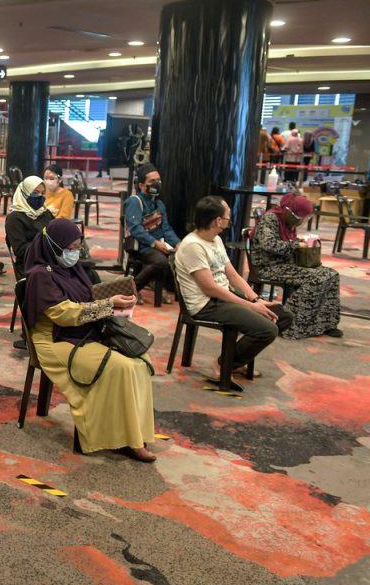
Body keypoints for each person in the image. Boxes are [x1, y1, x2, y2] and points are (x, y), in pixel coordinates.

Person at [22, 218, 156, 461]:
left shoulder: (71, 268)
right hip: (54, 340)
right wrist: (108, 305)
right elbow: (64, 315)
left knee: (140, 361)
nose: (74, 253)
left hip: (81, 332)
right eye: (70, 248)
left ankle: (134, 433)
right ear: (54, 246)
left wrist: (117, 297)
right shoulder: (40, 275)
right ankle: (121, 438)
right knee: (121, 367)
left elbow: (87, 295)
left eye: (77, 247)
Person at [175, 196, 294, 380]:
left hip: (223, 297)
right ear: (218, 221)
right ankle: (224, 363)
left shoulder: (215, 240)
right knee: (268, 329)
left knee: (283, 316)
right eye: (228, 216)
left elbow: (233, 275)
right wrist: (250, 306)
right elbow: (210, 289)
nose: (231, 219)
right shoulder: (193, 246)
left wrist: (256, 299)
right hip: (206, 305)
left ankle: (234, 360)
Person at [251, 193, 341, 338]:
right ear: (291, 212)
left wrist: (298, 242)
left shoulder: (287, 221)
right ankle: (289, 325)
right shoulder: (271, 219)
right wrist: (296, 244)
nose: (303, 221)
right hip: (269, 267)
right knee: (317, 278)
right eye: (302, 218)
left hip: (287, 264)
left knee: (332, 275)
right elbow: (268, 244)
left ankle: (325, 323)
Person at [123, 163, 180, 301]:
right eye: (152, 181)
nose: (157, 184)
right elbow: (136, 229)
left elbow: (166, 229)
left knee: (184, 255)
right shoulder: (134, 201)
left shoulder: (159, 204)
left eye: (158, 180)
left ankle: (160, 286)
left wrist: (178, 244)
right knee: (161, 262)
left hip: (159, 245)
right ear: (142, 185)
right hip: (142, 246)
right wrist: (154, 243)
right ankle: (131, 289)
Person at [6, 175, 54, 275]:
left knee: (87, 272)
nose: (40, 196)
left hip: (52, 258)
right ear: (24, 193)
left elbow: (57, 232)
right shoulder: (14, 218)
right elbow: (20, 250)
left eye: (42, 193)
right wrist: (46, 247)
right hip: (30, 264)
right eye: (35, 193)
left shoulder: (45, 213)